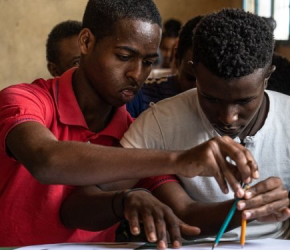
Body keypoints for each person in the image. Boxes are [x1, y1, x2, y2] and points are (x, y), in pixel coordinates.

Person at [0, 0, 257, 247]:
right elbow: (46, 160)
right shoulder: (25, 100)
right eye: (124, 56)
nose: (137, 74)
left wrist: (250, 206)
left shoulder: (136, 133)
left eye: (148, 62)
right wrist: (179, 159)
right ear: (86, 42)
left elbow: (186, 212)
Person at [120, 8, 290, 240]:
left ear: (268, 75)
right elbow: (183, 215)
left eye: (244, 101)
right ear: (194, 71)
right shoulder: (158, 122)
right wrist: (249, 208)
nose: (228, 118)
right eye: (211, 98)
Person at [126, 15, 202, 118]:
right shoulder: (141, 95)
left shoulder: (221, 106)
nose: (196, 89)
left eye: (207, 82)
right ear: (176, 58)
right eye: (190, 78)